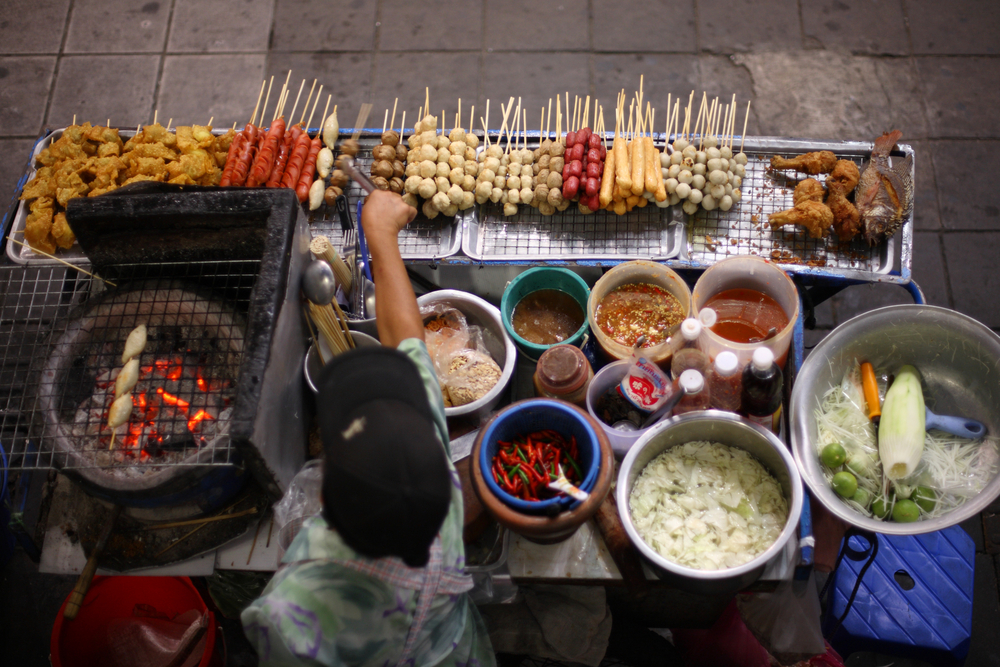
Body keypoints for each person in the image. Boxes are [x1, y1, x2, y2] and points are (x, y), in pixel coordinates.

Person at [241, 190, 496, 667]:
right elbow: (408, 340)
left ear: (323, 498)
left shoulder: (290, 614)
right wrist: (381, 236)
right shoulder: (434, 481)